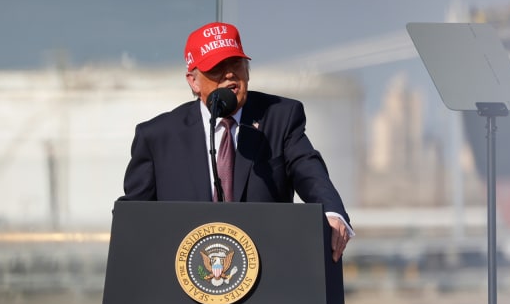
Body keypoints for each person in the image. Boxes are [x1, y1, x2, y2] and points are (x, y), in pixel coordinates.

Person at [121, 21, 352, 262]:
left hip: (267, 270)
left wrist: (332, 211)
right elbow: (135, 216)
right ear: (193, 81)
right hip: (183, 278)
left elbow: (308, 170)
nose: (229, 73)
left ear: (248, 70)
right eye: (217, 67)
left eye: (235, 63)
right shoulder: (158, 137)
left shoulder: (280, 117)